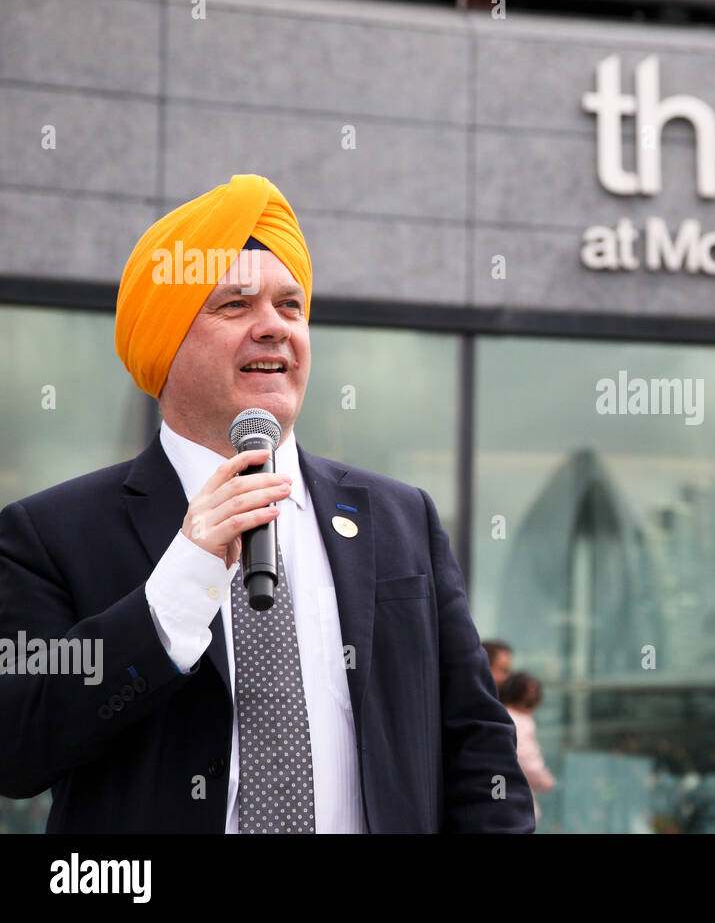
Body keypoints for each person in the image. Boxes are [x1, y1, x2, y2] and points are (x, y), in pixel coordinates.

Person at [0, 174, 535, 833]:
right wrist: (179, 587)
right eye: (235, 306)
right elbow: (17, 751)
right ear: (164, 341)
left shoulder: (402, 521)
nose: (274, 329)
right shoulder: (50, 535)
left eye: (291, 306)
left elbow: (479, 749)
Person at [499, 671, 555, 825]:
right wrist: (545, 780)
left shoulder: (499, 714)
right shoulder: (520, 721)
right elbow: (527, 759)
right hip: (513, 800)